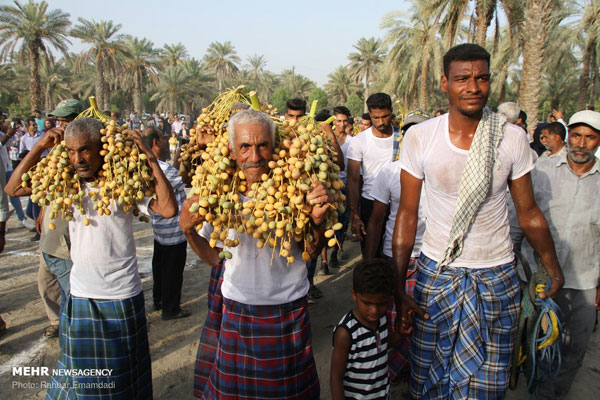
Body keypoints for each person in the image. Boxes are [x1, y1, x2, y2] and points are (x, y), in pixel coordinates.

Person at [393, 43, 564, 399]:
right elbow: (407, 215)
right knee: (428, 380)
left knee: (488, 384)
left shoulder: (511, 138)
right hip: (438, 273)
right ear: (445, 83)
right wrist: (397, 287)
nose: (473, 87)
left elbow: (529, 212)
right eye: (462, 78)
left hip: (496, 276)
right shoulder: (420, 137)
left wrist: (552, 267)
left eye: (482, 78)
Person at [16, 117, 176, 399]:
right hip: (80, 295)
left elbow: (167, 208)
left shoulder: (123, 184)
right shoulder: (66, 186)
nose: (78, 159)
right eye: (71, 151)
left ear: (103, 148)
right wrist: (41, 145)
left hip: (121, 297)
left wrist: (150, 158)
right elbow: (13, 189)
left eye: (85, 150)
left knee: (119, 383)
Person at [180, 109, 327, 399]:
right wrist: (187, 231)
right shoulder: (219, 195)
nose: (254, 155)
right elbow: (213, 259)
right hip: (238, 308)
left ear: (274, 147)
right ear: (232, 152)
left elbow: (311, 252)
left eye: (263, 145)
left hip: (287, 310)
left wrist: (319, 224)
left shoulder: (296, 192)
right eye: (245, 147)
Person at [512, 110, 600, 400]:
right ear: (568, 136)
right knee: (536, 346)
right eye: (576, 135)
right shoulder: (541, 173)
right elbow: (518, 222)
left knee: (573, 350)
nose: (581, 144)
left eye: (590, 137)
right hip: (538, 280)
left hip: (583, 281)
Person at [330, 259, 400, 400]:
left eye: (381, 304)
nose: (374, 311)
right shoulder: (346, 333)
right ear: (354, 294)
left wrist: (400, 334)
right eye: (367, 303)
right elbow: (335, 377)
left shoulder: (383, 319)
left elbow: (379, 347)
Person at [141, 127, 190, 320]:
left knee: (160, 266)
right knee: (173, 270)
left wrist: (179, 154)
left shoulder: (145, 167)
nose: (164, 141)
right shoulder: (163, 169)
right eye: (161, 138)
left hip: (159, 229)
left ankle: (159, 299)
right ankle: (171, 309)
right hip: (174, 230)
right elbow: (184, 180)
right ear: (155, 143)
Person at [347, 93, 398, 256]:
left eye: (385, 116)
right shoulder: (359, 141)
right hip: (370, 203)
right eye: (376, 118)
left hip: (398, 204)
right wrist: (355, 215)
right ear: (369, 113)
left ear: (391, 111)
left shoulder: (402, 138)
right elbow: (353, 180)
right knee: (371, 256)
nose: (381, 122)